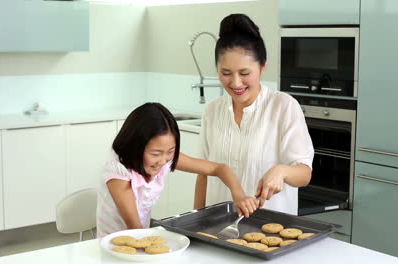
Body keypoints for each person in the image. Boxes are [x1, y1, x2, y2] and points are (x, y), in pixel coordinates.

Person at [194, 14, 314, 215]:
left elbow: (304, 174)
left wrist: (281, 171)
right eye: (225, 73)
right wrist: (195, 224)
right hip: (218, 229)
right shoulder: (212, 110)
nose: (235, 83)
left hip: (271, 230)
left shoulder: (283, 107)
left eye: (244, 73)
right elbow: (203, 174)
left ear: (262, 66)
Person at [96, 102, 258, 237]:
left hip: (141, 236)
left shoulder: (165, 158)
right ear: (135, 146)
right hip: (113, 245)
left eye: (170, 151)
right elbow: (135, 227)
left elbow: (219, 168)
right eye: (155, 153)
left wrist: (239, 195)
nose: (162, 161)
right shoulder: (119, 172)